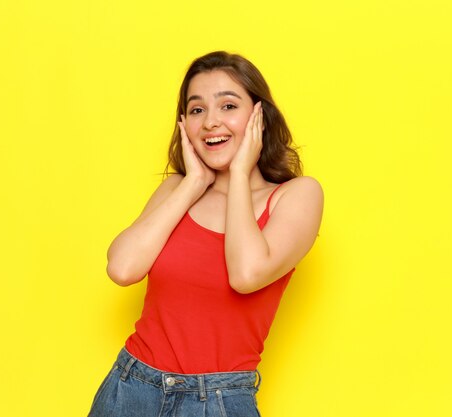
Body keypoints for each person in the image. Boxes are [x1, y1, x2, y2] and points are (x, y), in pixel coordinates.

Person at [88, 51, 323, 417]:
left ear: (260, 117)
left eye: (228, 106)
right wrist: (194, 182)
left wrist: (241, 172)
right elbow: (122, 268)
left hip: (217, 402)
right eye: (197, 110)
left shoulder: (296, 196)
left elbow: (246, 275)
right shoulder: (176, 191)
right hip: (131, 387)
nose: (211, 122)